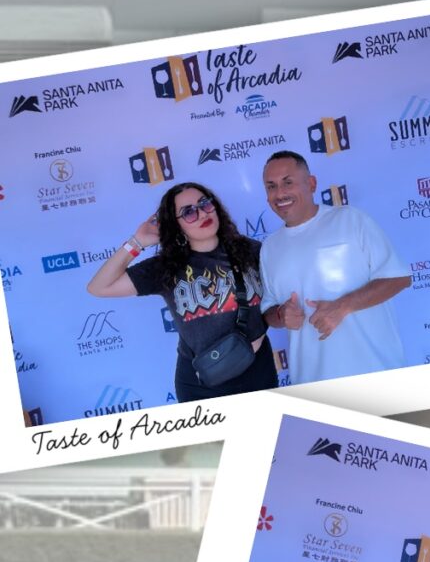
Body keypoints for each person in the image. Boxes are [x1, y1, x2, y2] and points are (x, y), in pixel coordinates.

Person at [87, 182, 277, 403]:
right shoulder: (166, 267)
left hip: (258, 373)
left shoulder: (252, 251)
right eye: (188, 212)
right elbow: (99, 287)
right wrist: (137, 242)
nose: (201, 213)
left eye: (205, 204)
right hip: (201, 384)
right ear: (175, 225)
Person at [260, 150, 411, 384]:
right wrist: (281, 314)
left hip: (377, 376)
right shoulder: (269, 247)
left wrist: (343, 306)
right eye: (271, 186)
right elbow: (269, 311)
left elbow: (398, 278)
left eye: (288, 182)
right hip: (312, 386)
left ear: (311, 184)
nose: (280, 193)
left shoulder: (351, 220)